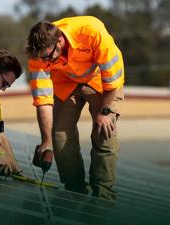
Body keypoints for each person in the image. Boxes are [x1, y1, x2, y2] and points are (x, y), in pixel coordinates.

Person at [25, 16, 124, 200]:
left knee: (105, 131)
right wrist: (46, 141)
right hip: (67, 83)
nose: (45, 62)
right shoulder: (38, 55)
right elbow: (43, 101)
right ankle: (75, 189)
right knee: (59, 136)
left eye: (48, 57)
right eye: (42, 58)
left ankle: (103, 193)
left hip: (101, 82)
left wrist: (105, 112)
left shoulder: (91, 31)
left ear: (59, 41)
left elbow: (112, 81)